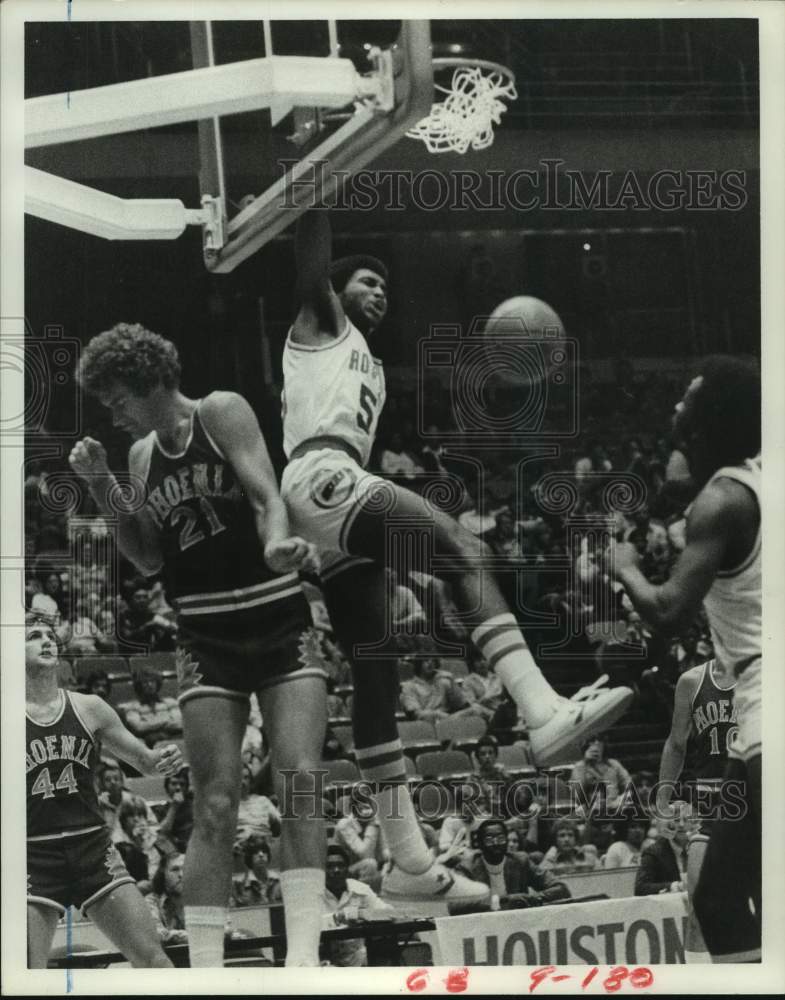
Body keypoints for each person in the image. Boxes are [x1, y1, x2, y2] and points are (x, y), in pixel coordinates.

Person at [279, 210, 632, 905]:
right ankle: (540, 710)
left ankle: (408, 863)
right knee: (463, 548)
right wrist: (313, 168)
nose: (379, 291)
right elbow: (307, 259)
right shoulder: (320, 322)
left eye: (384, 284)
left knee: (375, 670)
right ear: (337, 291)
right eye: (366, 280)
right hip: (322, 473)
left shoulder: (366, 360)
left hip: (324, 500)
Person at [72, 323, 329, 967]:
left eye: (119, 398)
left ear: (152, 381)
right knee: (214, 801)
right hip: (205, 629)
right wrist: (104, 483)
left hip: (277, 615)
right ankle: (207, 970)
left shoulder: (220, 411)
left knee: (299, 780)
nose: (115, 412)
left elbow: (265, 492)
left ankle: (302, 957)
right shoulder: (137, 458)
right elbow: (150, 558)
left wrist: (276, 544)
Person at [606, 356, 761, 962]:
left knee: (722, 900)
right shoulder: (760, 480)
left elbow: (669, 611)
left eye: (687, 399)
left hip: (767, 703)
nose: (675, 407)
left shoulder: (721, 500)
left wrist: (625, 567)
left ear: (709, 420)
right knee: (722, 894)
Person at [25, 614, 182, 968]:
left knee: (155, 960)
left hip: (92, 848)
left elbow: (143, 761)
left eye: (50, 636)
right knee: (23, 976)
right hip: (32, 853)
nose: (47, 641)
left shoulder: (88, 707)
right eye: (34, 636)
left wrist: (163, 758)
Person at [465, 819, 570, 909]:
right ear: (479, 844)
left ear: (506, 841)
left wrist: (533, 898)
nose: (496, 843)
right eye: (489, 840)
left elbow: (561, 888)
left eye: (501, 839)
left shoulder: (520, 861)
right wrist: (502, 901)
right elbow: (456, 905)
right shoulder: (468, 867)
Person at [322, 844, 395, 967]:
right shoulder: (312, 894)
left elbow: (389, 913)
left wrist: (362, 914)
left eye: (340, 866)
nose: (336, 870)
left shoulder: (360, 889)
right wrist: (339, 917)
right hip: (324, 959)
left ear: (348, 869)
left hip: (358, 959)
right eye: (330, 866)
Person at [635, 802, 692, 896]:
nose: (681, 825)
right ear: (669, 824)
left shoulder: (700, 846)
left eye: (686, 820)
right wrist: (676, 886)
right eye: (676, 820)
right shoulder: (653, 852)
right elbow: (640, 888)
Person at [119, 668, 183, 747]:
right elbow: (139, 728)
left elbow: (179, 724)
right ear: (139, 686)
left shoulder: (171, 702)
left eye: (152, 681)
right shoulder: (132, 707)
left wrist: (151, 726)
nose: (149, 685)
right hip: (148, 743)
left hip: (173, 739)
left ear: (157, 684)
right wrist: (166, 722)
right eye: (145, 682)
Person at [569, 735, 632, 810]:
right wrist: (585, 763)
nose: (596, 745)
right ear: (585, 746)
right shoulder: (580, 767)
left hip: (616, 808)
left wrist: (621, 799)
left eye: (599, 741)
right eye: (592, 742)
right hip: (592, 810)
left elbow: (629, 786)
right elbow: (577, 796)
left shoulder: (614, 764)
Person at [147, 853, 189, 946]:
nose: (181, 875)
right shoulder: (151, 902)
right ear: (163, 873)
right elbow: (157, 934)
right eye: (175, 869)